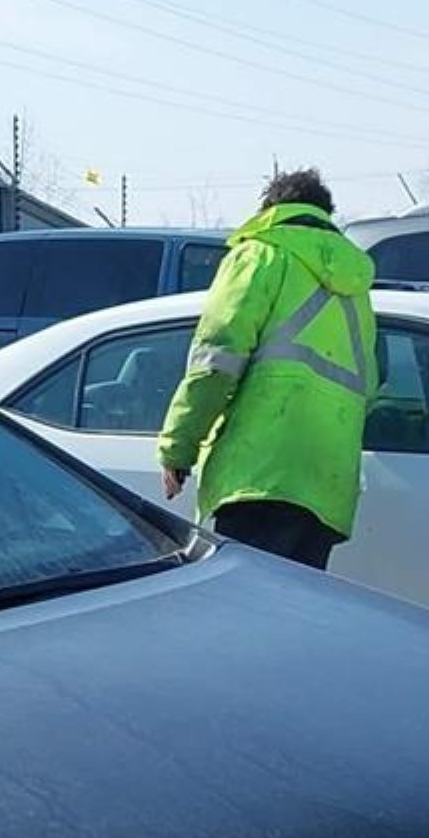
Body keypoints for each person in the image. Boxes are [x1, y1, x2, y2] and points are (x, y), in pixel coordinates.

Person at [153, 167, 378, 570]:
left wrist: (178, 447)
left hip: (259, 475)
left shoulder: (259, 255)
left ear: (270, 210)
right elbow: (372, 381)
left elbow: (216, 359)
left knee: (241, 616)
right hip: (327, 484)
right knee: (292, 618)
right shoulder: (357, 286)